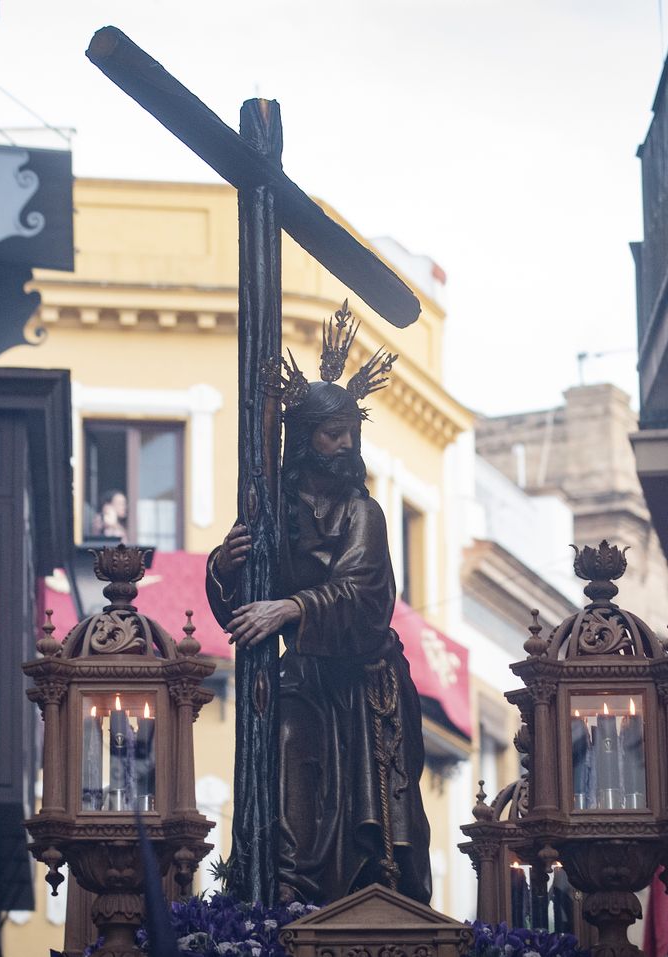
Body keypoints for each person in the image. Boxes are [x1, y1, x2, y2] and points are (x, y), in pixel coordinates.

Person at [205, 306, 431, 906]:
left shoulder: (365, 513)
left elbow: (364, 592)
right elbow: (242, 608)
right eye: (334, 434)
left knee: (372, 827)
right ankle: (285, 896)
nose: (346, 445)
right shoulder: (271, 508)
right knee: (280, 753)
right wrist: (224, 567)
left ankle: (362, 904)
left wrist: (291, 610)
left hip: (362, 686)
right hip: (305, 679)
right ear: (306, 437)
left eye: (351, 433)